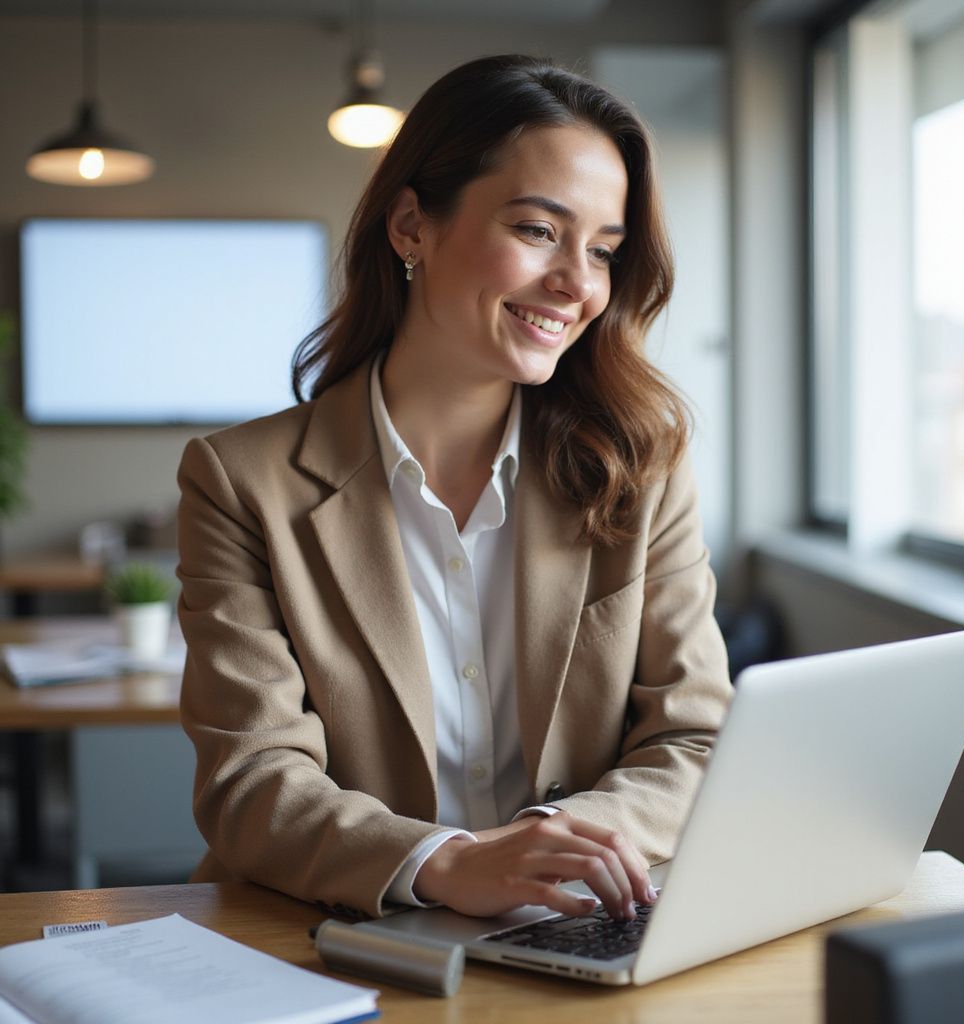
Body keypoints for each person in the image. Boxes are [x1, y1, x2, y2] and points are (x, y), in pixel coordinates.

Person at [177, 54, 733, 923]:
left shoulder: (642, 465)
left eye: (604, 251)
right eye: (539, 231)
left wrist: (554, 842)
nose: (579, 285)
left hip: (574, 928)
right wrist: (444, 864)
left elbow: (695, 734)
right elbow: (252, 780)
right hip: (337, 936)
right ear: (411, 227)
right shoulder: (242, 482)